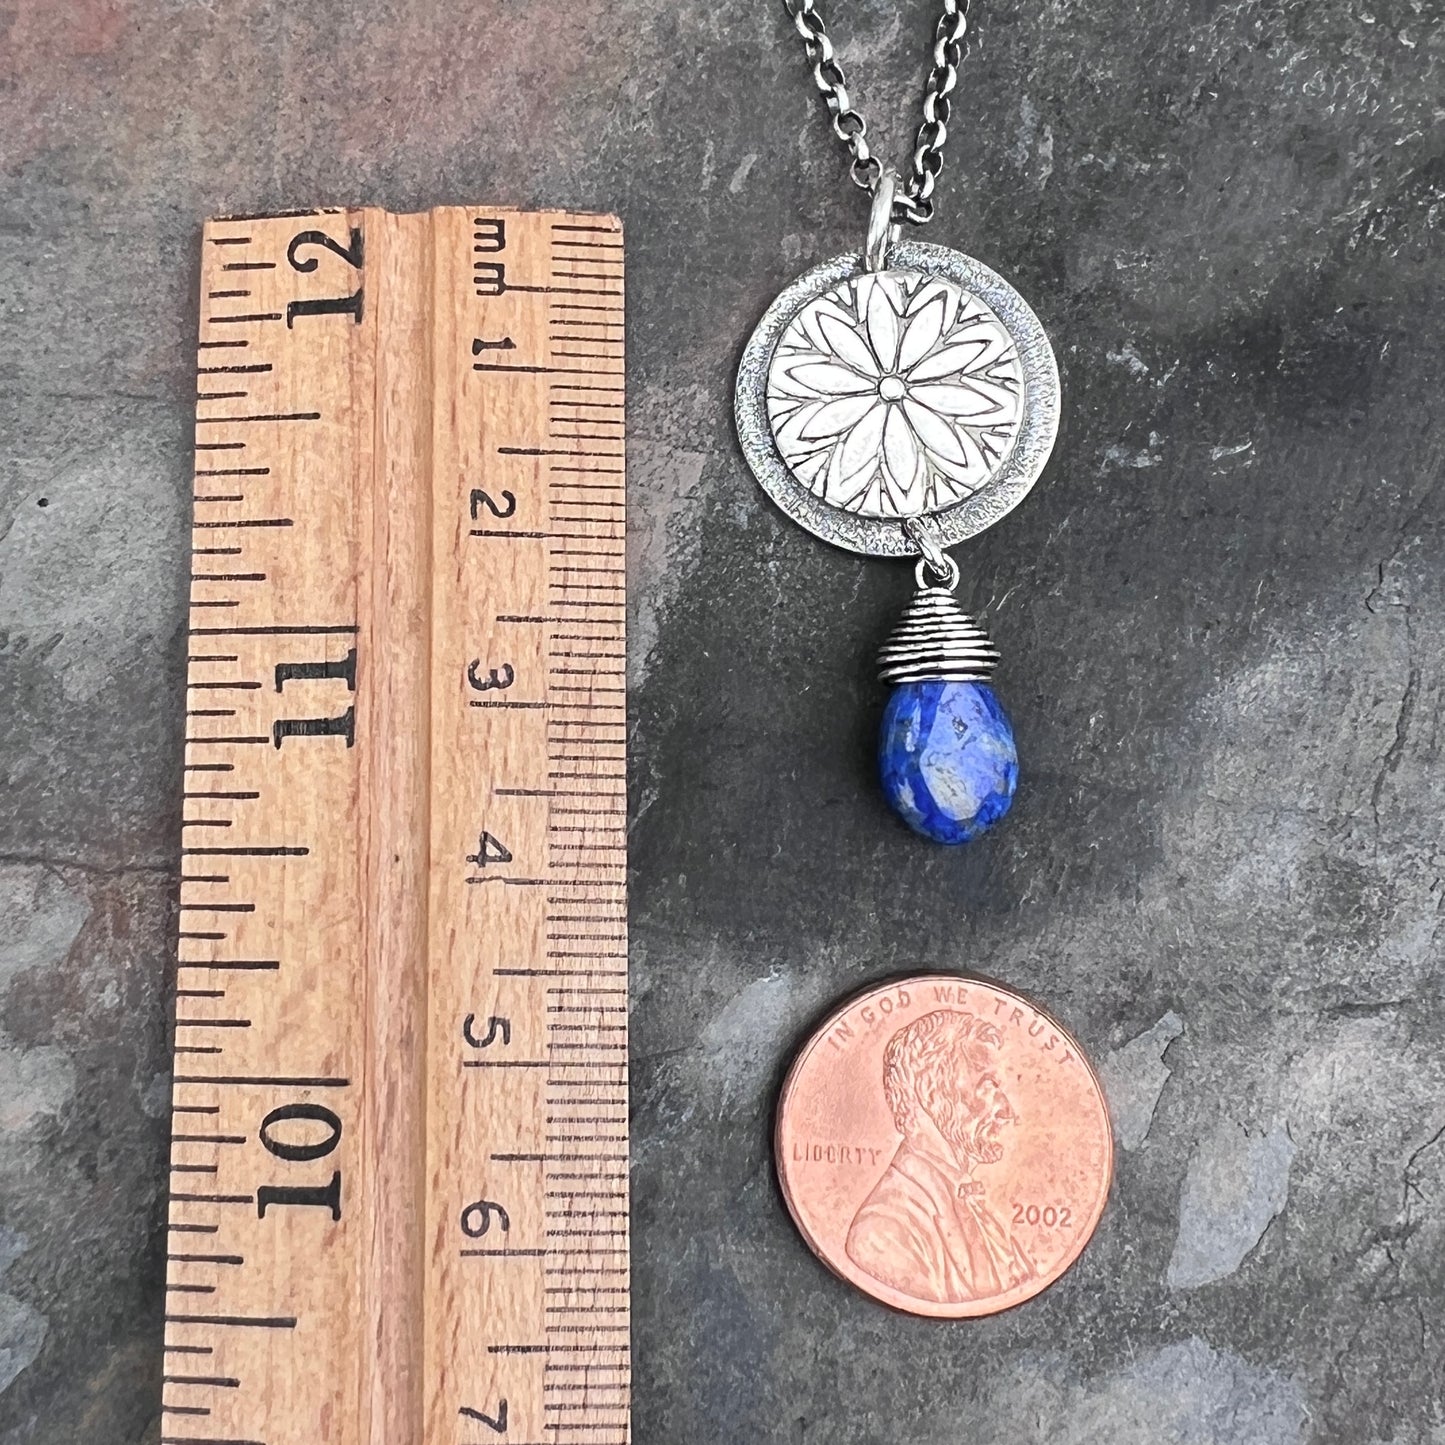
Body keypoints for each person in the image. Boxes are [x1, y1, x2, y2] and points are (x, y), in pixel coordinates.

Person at [846, 1008, 1036, 1303]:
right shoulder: (882, 1233)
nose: (1006, 1111)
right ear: (930, 1092)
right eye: (987, 1085)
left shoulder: (989, 1222)